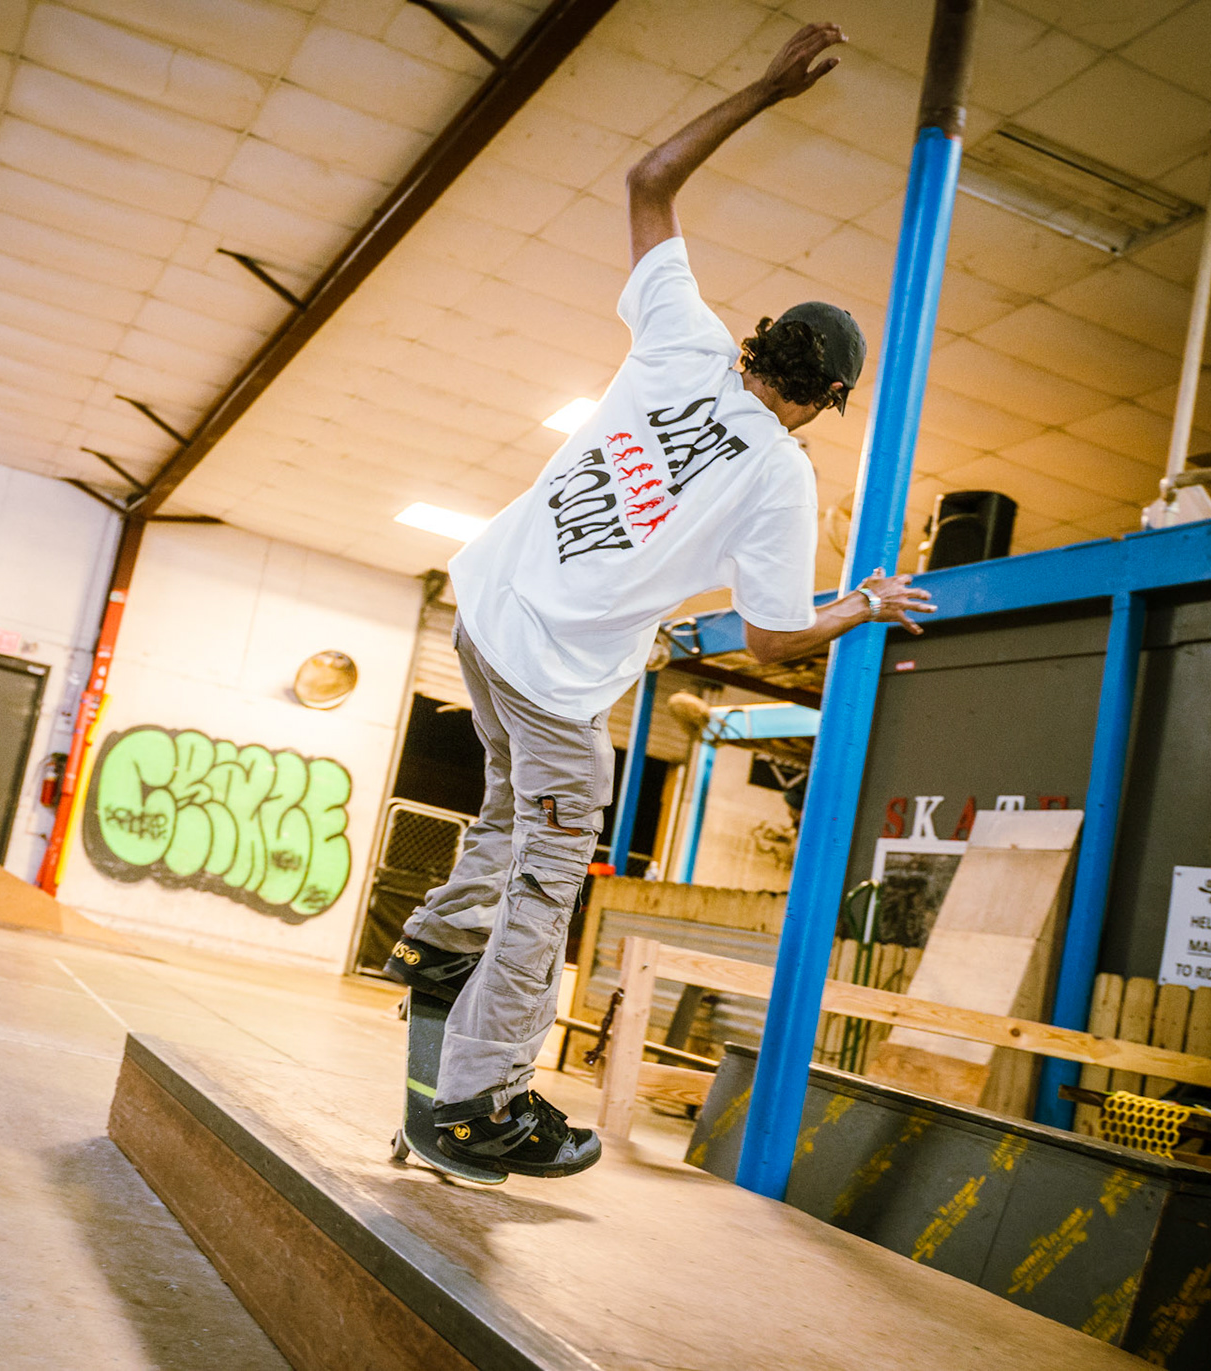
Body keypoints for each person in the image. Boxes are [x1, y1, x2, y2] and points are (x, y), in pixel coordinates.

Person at [386, 20, 935, 1178]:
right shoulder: (781, 477)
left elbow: (648, 178)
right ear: (827, 397)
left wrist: (766, 88)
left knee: (512, 804)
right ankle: (481, 1102)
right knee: (550, 875)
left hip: (482, 610)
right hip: (550, 679)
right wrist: (862, 605)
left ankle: (435, 943)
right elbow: (776, 635)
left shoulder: (685, 338)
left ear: (760, 343)